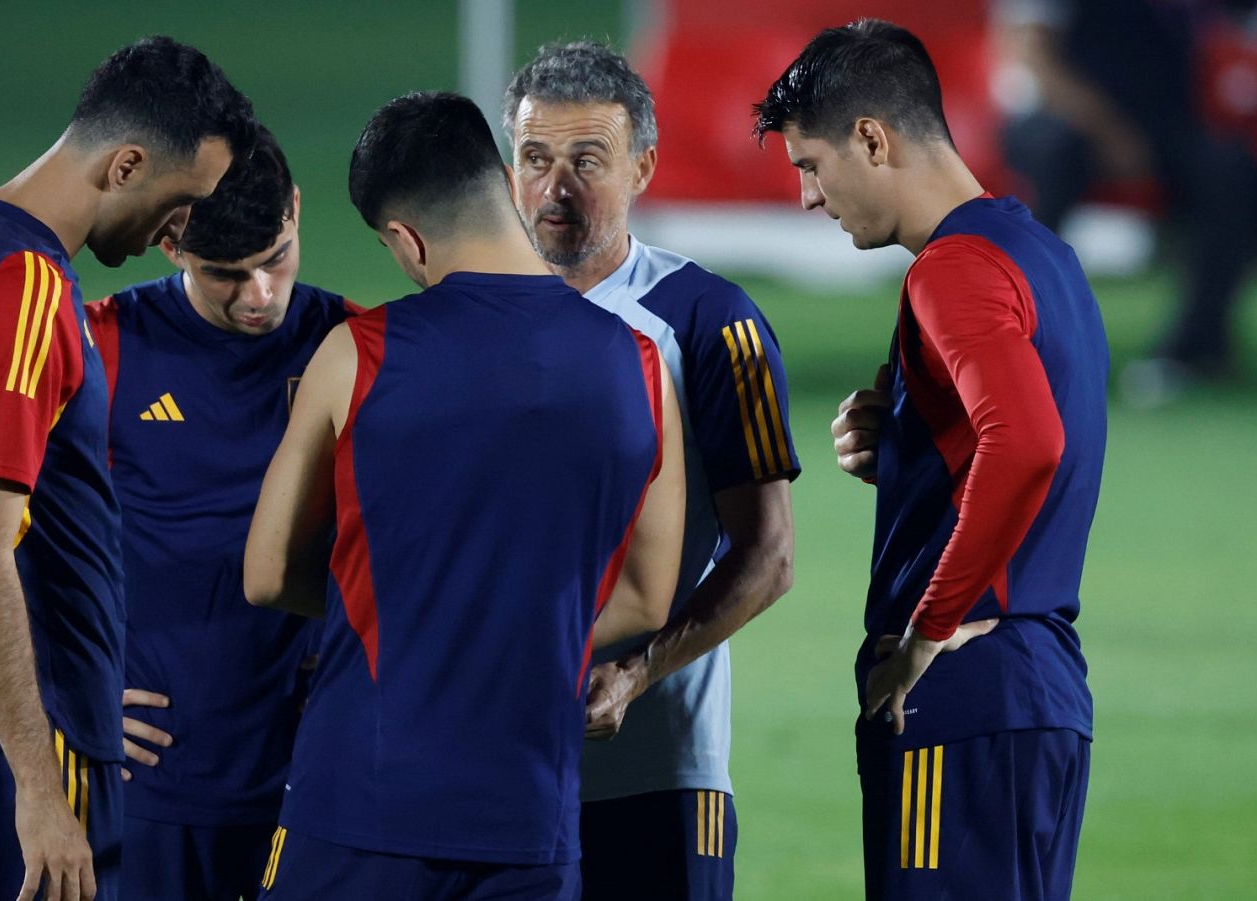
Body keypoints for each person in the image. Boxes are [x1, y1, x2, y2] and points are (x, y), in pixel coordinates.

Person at [242, 91, 687, 900]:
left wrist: (411, 616)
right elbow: (648, 594)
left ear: (404, 239)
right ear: (501, 187)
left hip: (359, 810)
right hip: (529, 824)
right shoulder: (640, 365)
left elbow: (267, 571)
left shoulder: (357, 356)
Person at [0, 37, 253, 901]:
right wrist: (42, 789)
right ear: (127, 164)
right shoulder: (28, 289)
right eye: (185, 200)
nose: (184, 230)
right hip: (22, 751)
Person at [754, 19, 1107, 900]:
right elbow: (1022, 436)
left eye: (810, 165)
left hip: (964, 692)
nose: (807, 196)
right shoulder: (1042, 255)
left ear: (872, 138)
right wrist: (911, 449)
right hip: (1039, 693)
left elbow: (1027, 443)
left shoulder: (949, 271)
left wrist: (925, 632)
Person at [504, 41, 799, 900]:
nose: (556, 188)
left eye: (587, 161)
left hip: (657, 768)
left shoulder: (709, 322)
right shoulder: (465, 320)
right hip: (490, 763)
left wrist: (640, 671)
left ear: (644, 167)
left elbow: (768, 555)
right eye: (534, 159)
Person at [85, 123, 356, 901]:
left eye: (275, 258)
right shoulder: (103, 346)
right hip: (153, 789)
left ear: (297, 210)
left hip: (315, 784)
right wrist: (56, 686)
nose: (260, 294)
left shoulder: (357, 344)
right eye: (225, 275)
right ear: (172, 241)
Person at [992, 0, 1257, 400]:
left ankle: (1197, 346)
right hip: (1063, 118)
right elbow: (1036, 58)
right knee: (1053, 158)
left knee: (1230, 167)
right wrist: (1112, 134)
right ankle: (1013, 338)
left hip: (1157, 119)